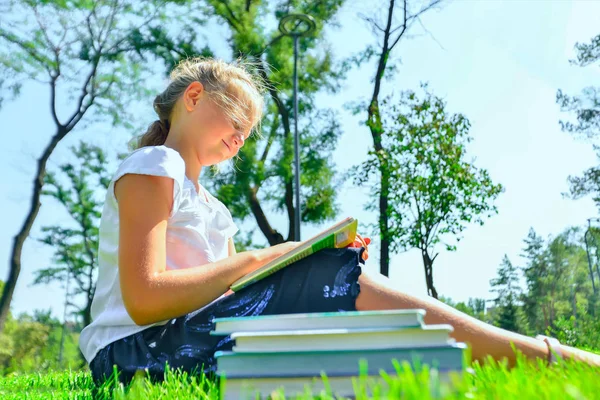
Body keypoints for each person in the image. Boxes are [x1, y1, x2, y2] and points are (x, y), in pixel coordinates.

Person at [79, 57, 600, 386]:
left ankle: (494, 359)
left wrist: (294, 261)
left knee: (332, 269)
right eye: (236, 122)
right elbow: (145, 296)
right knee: (328, 272)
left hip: (183, 339)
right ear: (194, 98)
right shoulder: (155, 165)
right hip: (132, 358)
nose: (240, 140)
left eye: (248, 134)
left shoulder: (214, 207)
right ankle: (544, 357)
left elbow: (218, 297)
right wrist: (266, 258)